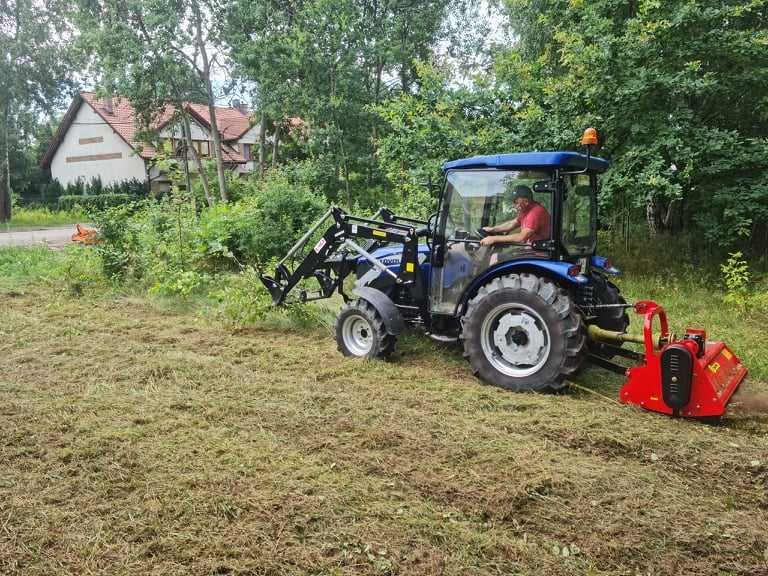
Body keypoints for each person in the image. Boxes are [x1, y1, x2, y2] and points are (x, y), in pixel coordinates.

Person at [480, 184, 550, 246]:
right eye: (514, 202)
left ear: (526, 201)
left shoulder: (534, 213)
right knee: (498, 256)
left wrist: (494, 239)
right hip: (530, 248)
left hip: (539, 252)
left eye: (516, 202)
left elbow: (521, 237)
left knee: (495, 258)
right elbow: (511, 224)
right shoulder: (525, 210)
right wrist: (493, 229)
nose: (514, 205)